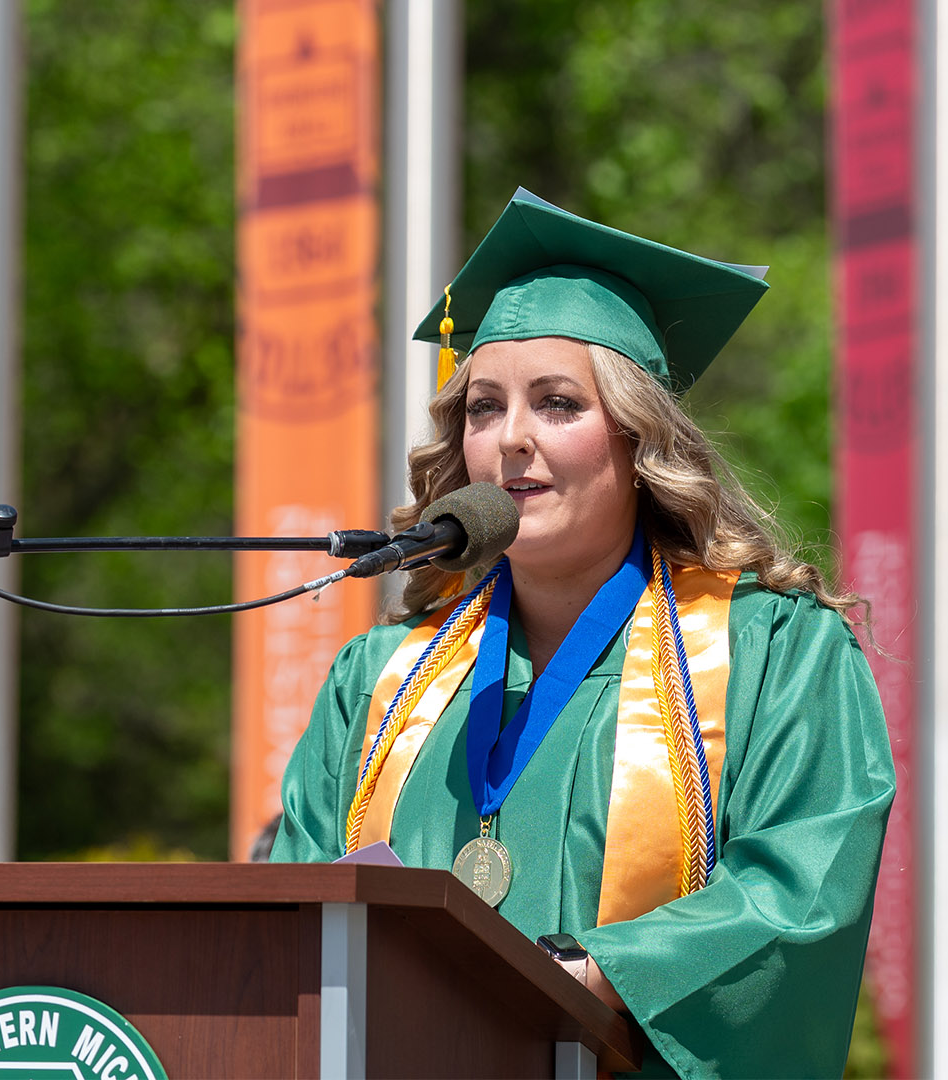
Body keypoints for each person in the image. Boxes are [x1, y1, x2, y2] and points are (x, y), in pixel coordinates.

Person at [270, 189, 896, 1078]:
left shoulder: (774, 656)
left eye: (558, 404)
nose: (511, 441)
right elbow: (297, 922)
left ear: (640, 441)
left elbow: (802, 890)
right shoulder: (377, 680)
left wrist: (600, 975)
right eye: (484, 408)